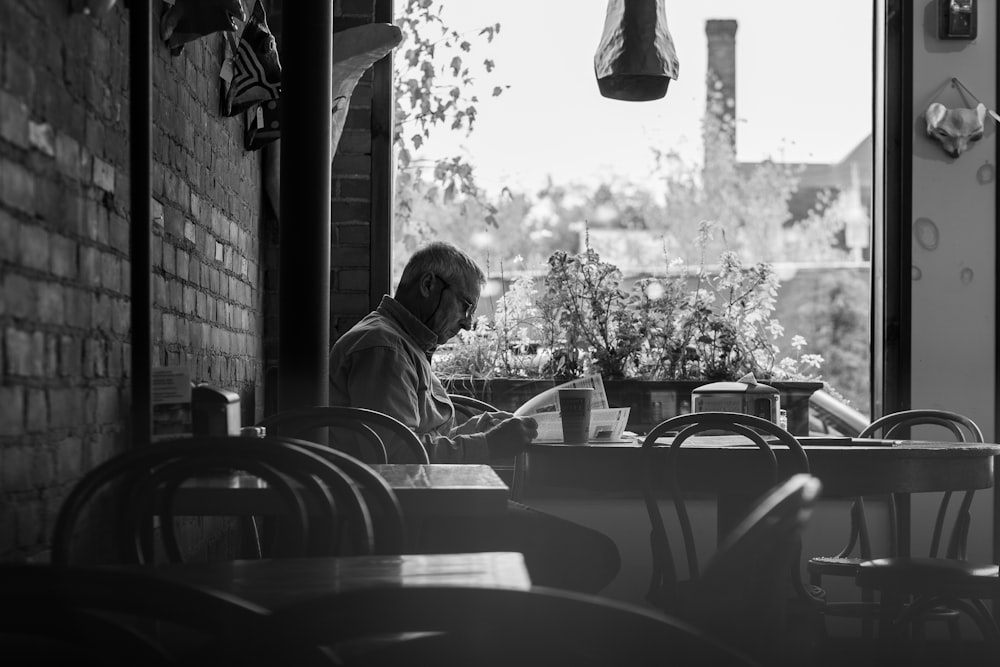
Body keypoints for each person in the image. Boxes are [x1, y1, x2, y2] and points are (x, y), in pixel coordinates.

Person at [329, 241, 621, 594]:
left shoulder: (400, 343)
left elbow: (417, 438)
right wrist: (488, 444)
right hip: (412, 523)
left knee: (583, 553)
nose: (468, 324)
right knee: (594, 554)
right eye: (466, 306)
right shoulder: (385, 349)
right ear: (428, 286)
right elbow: (398, 462)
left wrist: (483, 426)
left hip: (426, 510)